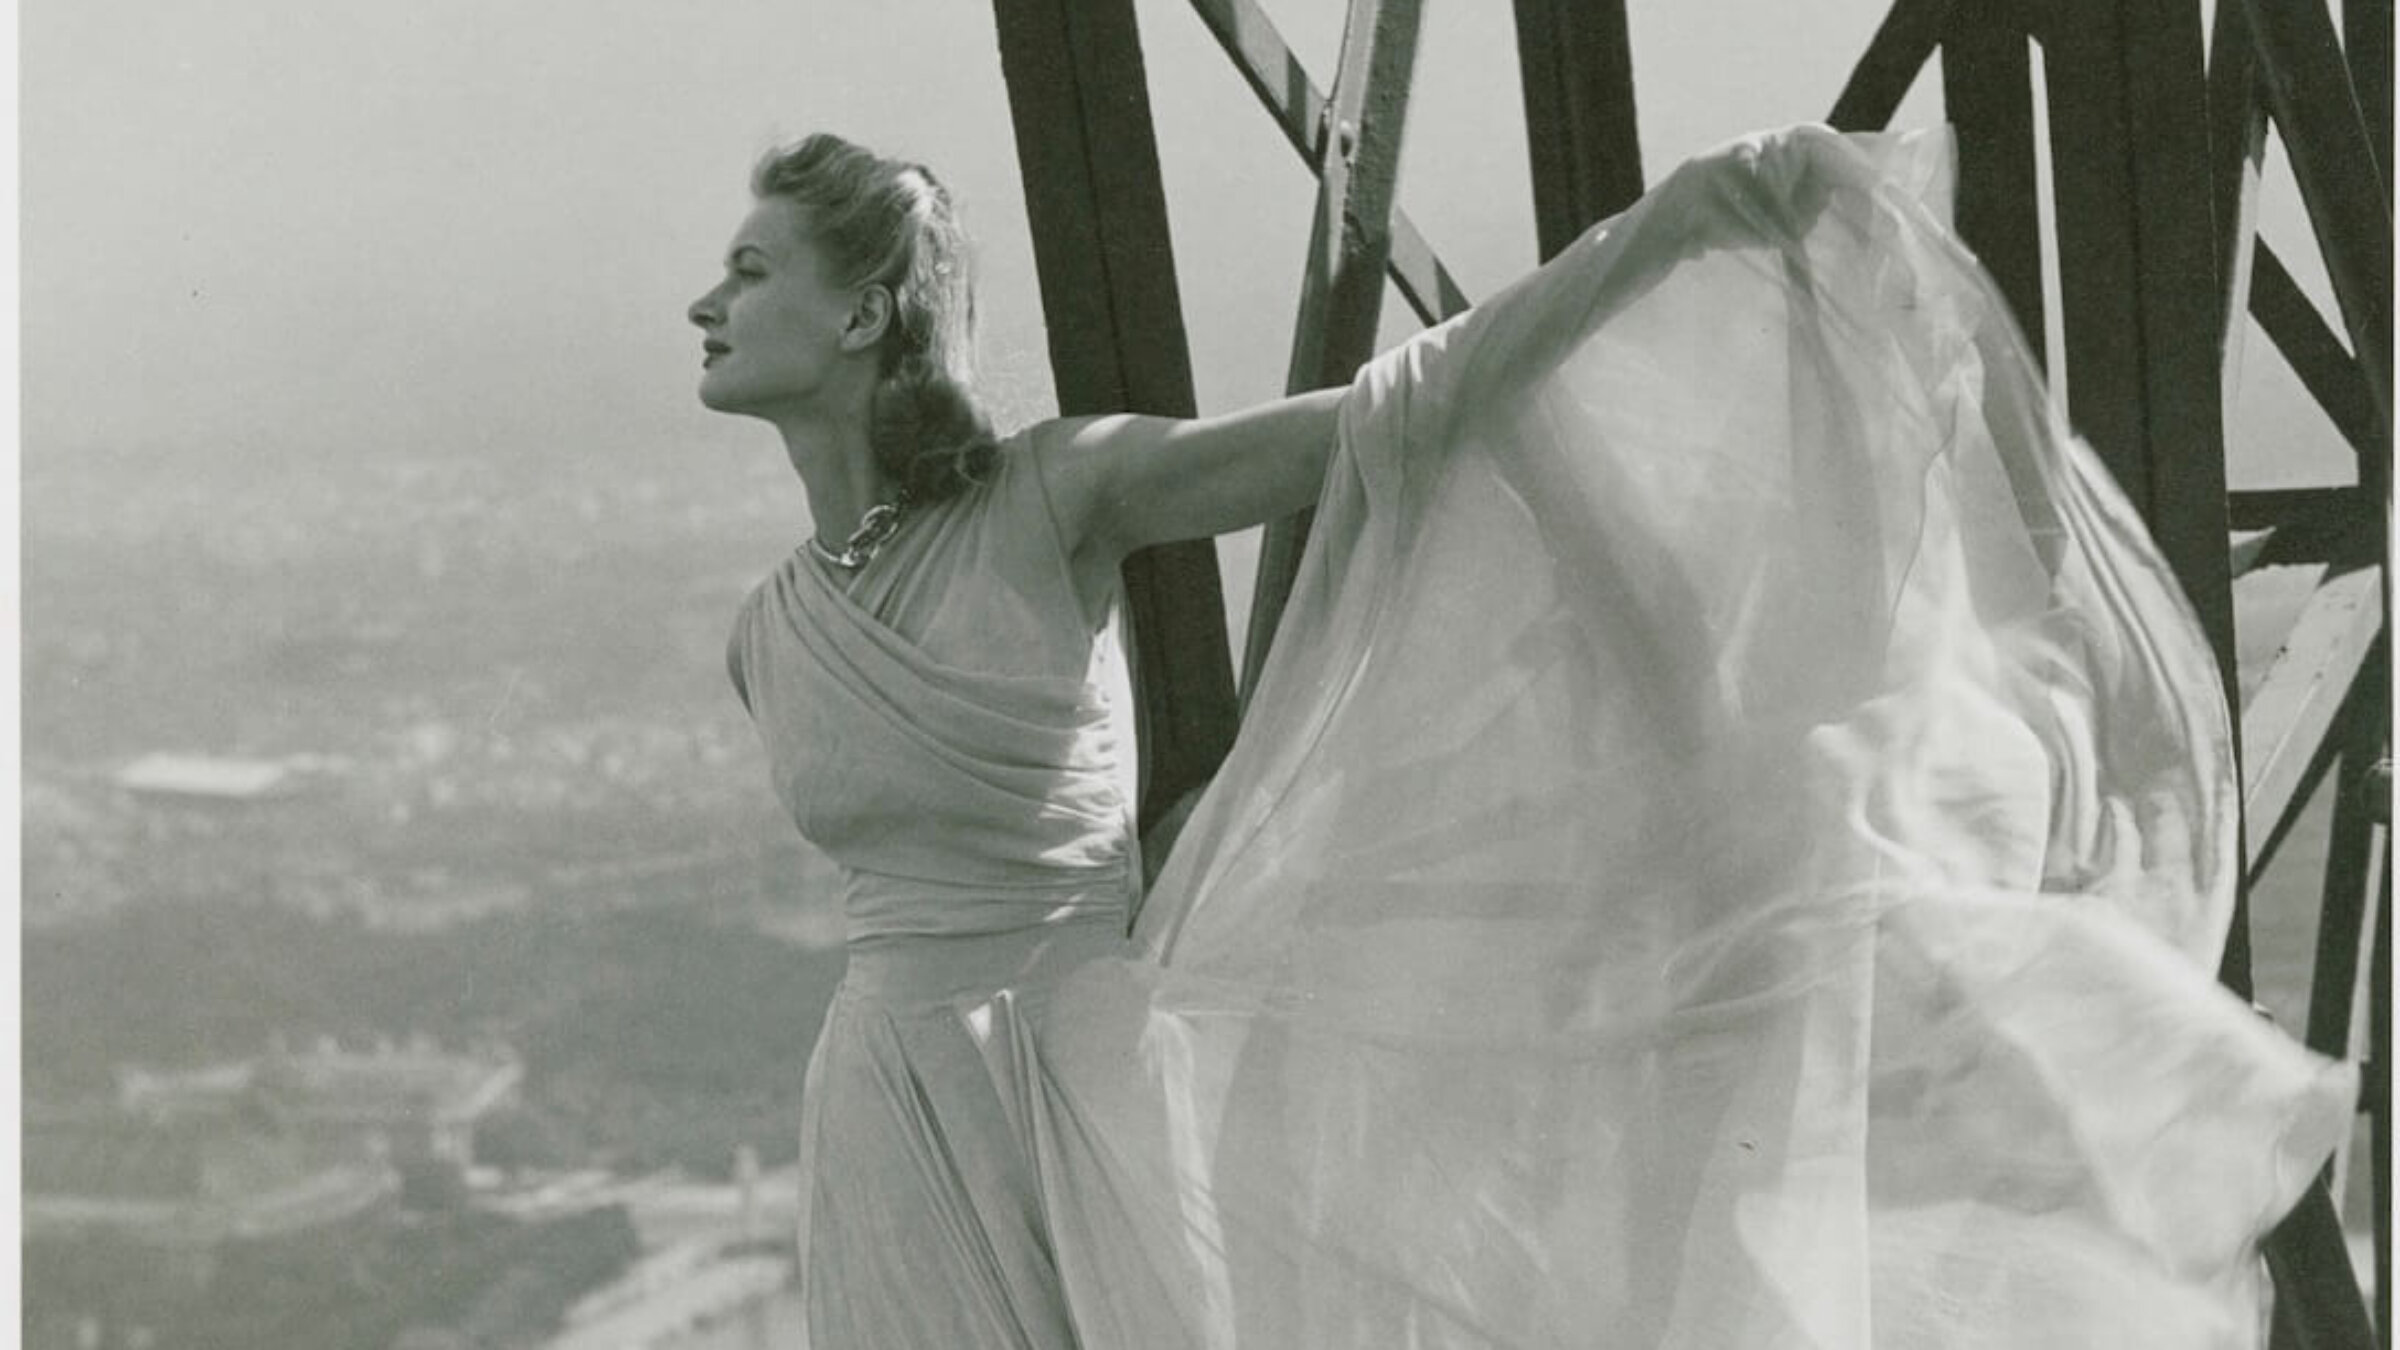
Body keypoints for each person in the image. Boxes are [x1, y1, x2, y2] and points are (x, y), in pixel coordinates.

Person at [692, 128, 2354, 1348]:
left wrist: (1685, 231)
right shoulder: (767, 635)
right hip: (882, 1120)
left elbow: (1404, 415)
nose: (708, 299)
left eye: (752, 267)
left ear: (863, 317)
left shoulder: (1060, 495)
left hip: (1068, 1091)